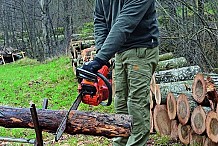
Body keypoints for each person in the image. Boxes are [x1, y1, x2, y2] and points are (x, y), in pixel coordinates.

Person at [81, 0, 159, 145]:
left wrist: (100, 59)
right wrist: (101, 51)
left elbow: (124, 23)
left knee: (136, 104)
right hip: (119, 51)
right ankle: (120, 143)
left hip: (141, 49)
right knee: (121, 103)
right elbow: (100, 20)